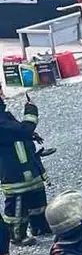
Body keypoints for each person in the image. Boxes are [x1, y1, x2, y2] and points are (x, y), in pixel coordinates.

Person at [0, 97, 50, 246]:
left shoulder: (5, 116)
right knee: (17, 205)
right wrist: (31, 110)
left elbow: (19, 132)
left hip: (28, 167)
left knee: (37, 198)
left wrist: (31, 135)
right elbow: (24, 128)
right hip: (13, 173)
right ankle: (17, 235)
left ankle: (40, 227)